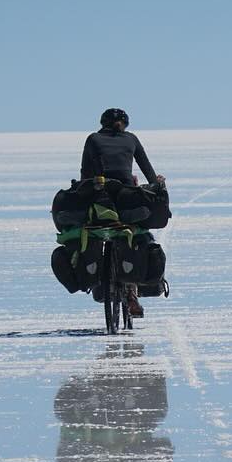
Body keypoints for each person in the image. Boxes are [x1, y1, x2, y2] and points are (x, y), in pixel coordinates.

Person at [80, 109, 165, 317]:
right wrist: (156, 184)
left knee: (96, 230)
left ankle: (102, 279)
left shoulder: (93, 139)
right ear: (124, 124)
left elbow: (85, 171)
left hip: (100, 196)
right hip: (127, 197)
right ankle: (131, 293)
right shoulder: (131, 139)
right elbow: (146, 167)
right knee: (136, 233)